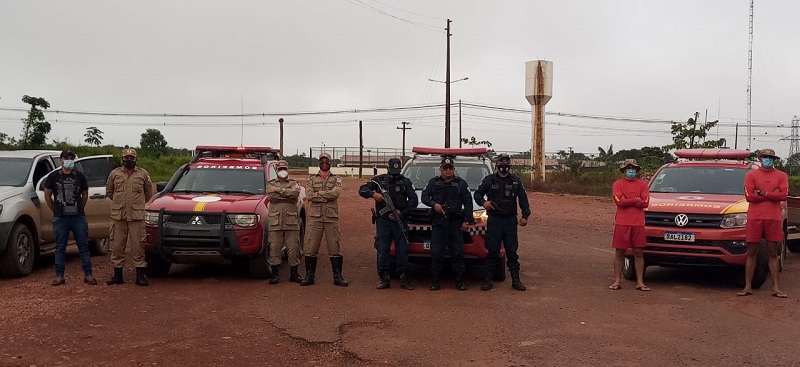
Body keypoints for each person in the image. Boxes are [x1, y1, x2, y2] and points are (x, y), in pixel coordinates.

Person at [474, 153, 531, 291]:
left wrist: (525, 216)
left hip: (510, 220)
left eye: (506, 162)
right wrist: (484, 202)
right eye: (501, 162)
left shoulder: (516, 181)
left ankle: (516, 280)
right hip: (494, 220)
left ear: (509, 165)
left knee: (512, 251)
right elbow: (477, 194)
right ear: (497, 164)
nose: (504, 165)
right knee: (492, 251)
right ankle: (488, 280)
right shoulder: (489, 180)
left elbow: (523, 199)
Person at [359, 158, 418, 290]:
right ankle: (384, 277)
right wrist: (374, 194)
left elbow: (413, 200)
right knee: (383, 249)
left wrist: (401, 212)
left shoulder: (405, 181)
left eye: (397, 170)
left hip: (399, 220)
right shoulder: (379, 181)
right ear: (388, 168)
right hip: (384, 221)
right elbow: (362, 190)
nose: (395, 173)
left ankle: (403, 277)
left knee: (402, 250)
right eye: (393, 170)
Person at [739, 148, 788, 298]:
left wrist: (763, 193)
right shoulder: (751, 175)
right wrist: (772, 195)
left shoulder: (781, 175)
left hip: (773, 218)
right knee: (752, 252)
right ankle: (748, 286)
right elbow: (750, 197)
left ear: (774, 160)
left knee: (773, 252)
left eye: (771, 157)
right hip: (755, 217)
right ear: (760, 159)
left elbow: (783, 195)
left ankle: (776, 288)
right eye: (765, 157)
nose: (768, 160)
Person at [44, 150, 98, 286]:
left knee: (83, 246)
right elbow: (47, 195)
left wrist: (81, 208)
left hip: (78, 216)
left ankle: (88, 275)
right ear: (61, 160)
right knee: (60, 247)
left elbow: (85, 194)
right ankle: (59, 276)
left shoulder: (79, 176)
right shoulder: (53, 176)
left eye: (71, 158)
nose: (69, 160)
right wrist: (56, 210)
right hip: (61, 217)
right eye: (66, 158)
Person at [421, 156, 473, 291]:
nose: (448, 171)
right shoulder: (433, 182)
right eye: (445, 168)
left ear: (454, 170)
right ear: (441, 169)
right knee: (436, 252)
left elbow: (468, 203)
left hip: (455, 222)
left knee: (458, 253)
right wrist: (434, 205)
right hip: (439, 222)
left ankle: (460, 281)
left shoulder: (461, 184)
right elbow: (424, 197)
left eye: (450, 169)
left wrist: (466, 220)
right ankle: (435, 281)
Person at [105, 148, 154, 287]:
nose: (129, 160)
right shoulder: (114, 174)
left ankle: (140, 276)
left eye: (132, 158)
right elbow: (109, 192)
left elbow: (148, 193)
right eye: (126, 158)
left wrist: (136, 204)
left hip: (136, 216)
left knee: (138, 246)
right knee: (117, 246)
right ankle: (117, 276)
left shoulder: (143, 174)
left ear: (136, 159)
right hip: (118, 216)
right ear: (122, 159)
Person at [301, 153, 348, 287]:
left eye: (326, 161)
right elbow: (309, 196)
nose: (324, 163)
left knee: (334, 247)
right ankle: (309, 276)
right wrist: (326, 195)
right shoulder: (311, 179)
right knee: (312, 247)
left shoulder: (337, 179)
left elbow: (336, 193)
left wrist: (319, 194)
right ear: (318, 163)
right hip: (315, 218)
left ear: (330, 163)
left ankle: (337, 276)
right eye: (322, 161)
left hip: (330, 218)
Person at [609, 159, 650, 291]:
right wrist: (635, 199)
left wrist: (628, 200)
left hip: (637, 223)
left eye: (633, 169)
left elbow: (645, 203)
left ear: (636, 170)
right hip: (622, 222)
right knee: (620, 252)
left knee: (638, 252)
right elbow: (619, 202)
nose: (631, 171)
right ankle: (617, 281)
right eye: (628, 168)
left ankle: (640, 282)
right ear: (624, 170)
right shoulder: (617, 184)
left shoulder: (643, 184)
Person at [266, 160, 302, 284]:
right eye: (280, 169)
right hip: (275, 221)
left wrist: (278, 190)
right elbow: (272, 197)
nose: (282, 171)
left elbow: (295, 195)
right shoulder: (271, 183)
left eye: (284, 169)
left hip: (291, 221)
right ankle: (275, 274)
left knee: (293, 247)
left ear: (288, 170)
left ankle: (294, 273)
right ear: (276, 170)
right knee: (275, 247)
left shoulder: (294, 183)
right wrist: (286, 194)